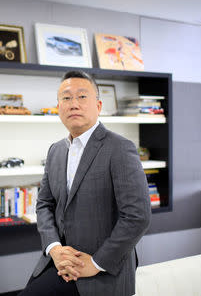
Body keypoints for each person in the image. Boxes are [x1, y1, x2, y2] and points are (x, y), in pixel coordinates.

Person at [19, 70, 151, 296]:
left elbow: (137, 216)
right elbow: (44, 205)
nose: (74, 104)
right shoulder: (56, 151)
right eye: (66, 98)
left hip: (101, 269)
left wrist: (96, 263)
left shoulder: (119, 148)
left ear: (98, 106)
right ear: (58, 107)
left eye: (82, 96)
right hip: (59, 262)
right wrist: (54, 248)